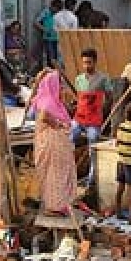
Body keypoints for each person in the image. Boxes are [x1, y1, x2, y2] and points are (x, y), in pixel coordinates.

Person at [29, 71, 77, 215]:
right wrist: (58, 125)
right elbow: (44, 116)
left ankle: (58, 204)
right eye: (59, 84)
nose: (61, 87)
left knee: (56, 174)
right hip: (52, 144)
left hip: (50, 142)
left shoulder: (45, 99)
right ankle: (55, 206)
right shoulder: (49, 101)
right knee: (56, 174)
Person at [71, 49, 112, 183]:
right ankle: (68, 172)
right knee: (68, 138)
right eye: (84, 63)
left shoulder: (103, 78)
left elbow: (110, 98)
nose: (86, 66)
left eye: (89, 62)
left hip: (94, 120)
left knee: (93, 144)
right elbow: (78, 99)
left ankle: (91, 178)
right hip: (79, 118)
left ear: (95, 62)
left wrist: (102, 113)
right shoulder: (79, 79)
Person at [35, 0, 62, 67]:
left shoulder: (59, 14)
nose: (56, 11)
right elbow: (36, 22)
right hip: (48, 38)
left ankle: (54, 72)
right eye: (56, 9)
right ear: (52, 6)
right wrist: (45, 29)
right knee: (50, 57)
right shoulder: (45, 12)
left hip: (57, 38)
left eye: (58, 9)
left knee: (56, 57)